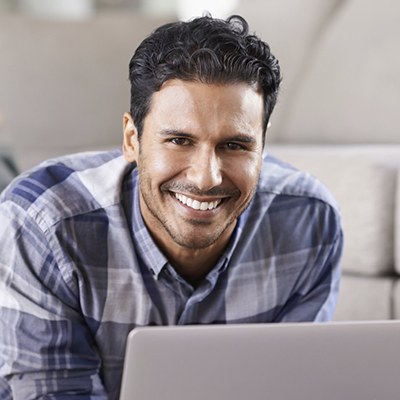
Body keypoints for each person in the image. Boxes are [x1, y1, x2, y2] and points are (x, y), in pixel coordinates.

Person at [0, 14, 343, 400]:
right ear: (132, 140)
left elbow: (292, 388)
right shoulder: (43, 223)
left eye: (235, 145)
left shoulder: (310, 221)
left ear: (262, 151)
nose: (206, 178)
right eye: (179, 140)